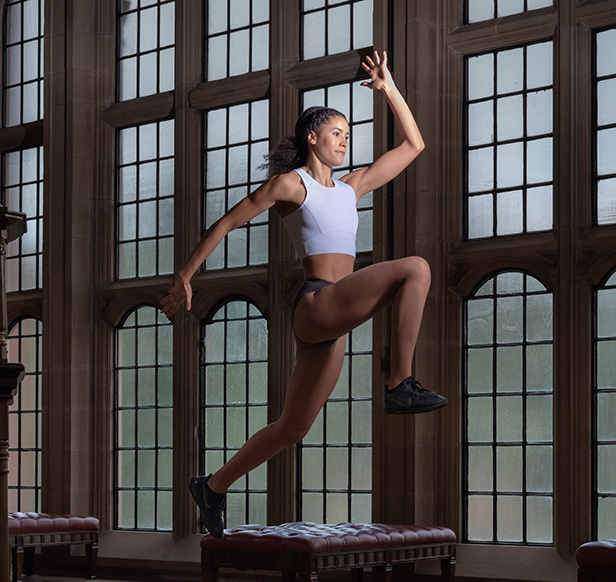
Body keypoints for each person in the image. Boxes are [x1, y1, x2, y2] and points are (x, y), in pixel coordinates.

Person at [160, 51, 446, 539]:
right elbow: (226, 223)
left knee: (293, 429)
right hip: (318, 303)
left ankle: (211, 486)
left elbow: (414, 144)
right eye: (338, 133)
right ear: (312, 136)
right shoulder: (289, 186)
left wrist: (389, 88)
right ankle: (399, 384)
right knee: (415, 268)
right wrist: (185, 276)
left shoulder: (351, 186)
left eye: (348, 136)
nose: (345, 142)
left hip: (333, 316)